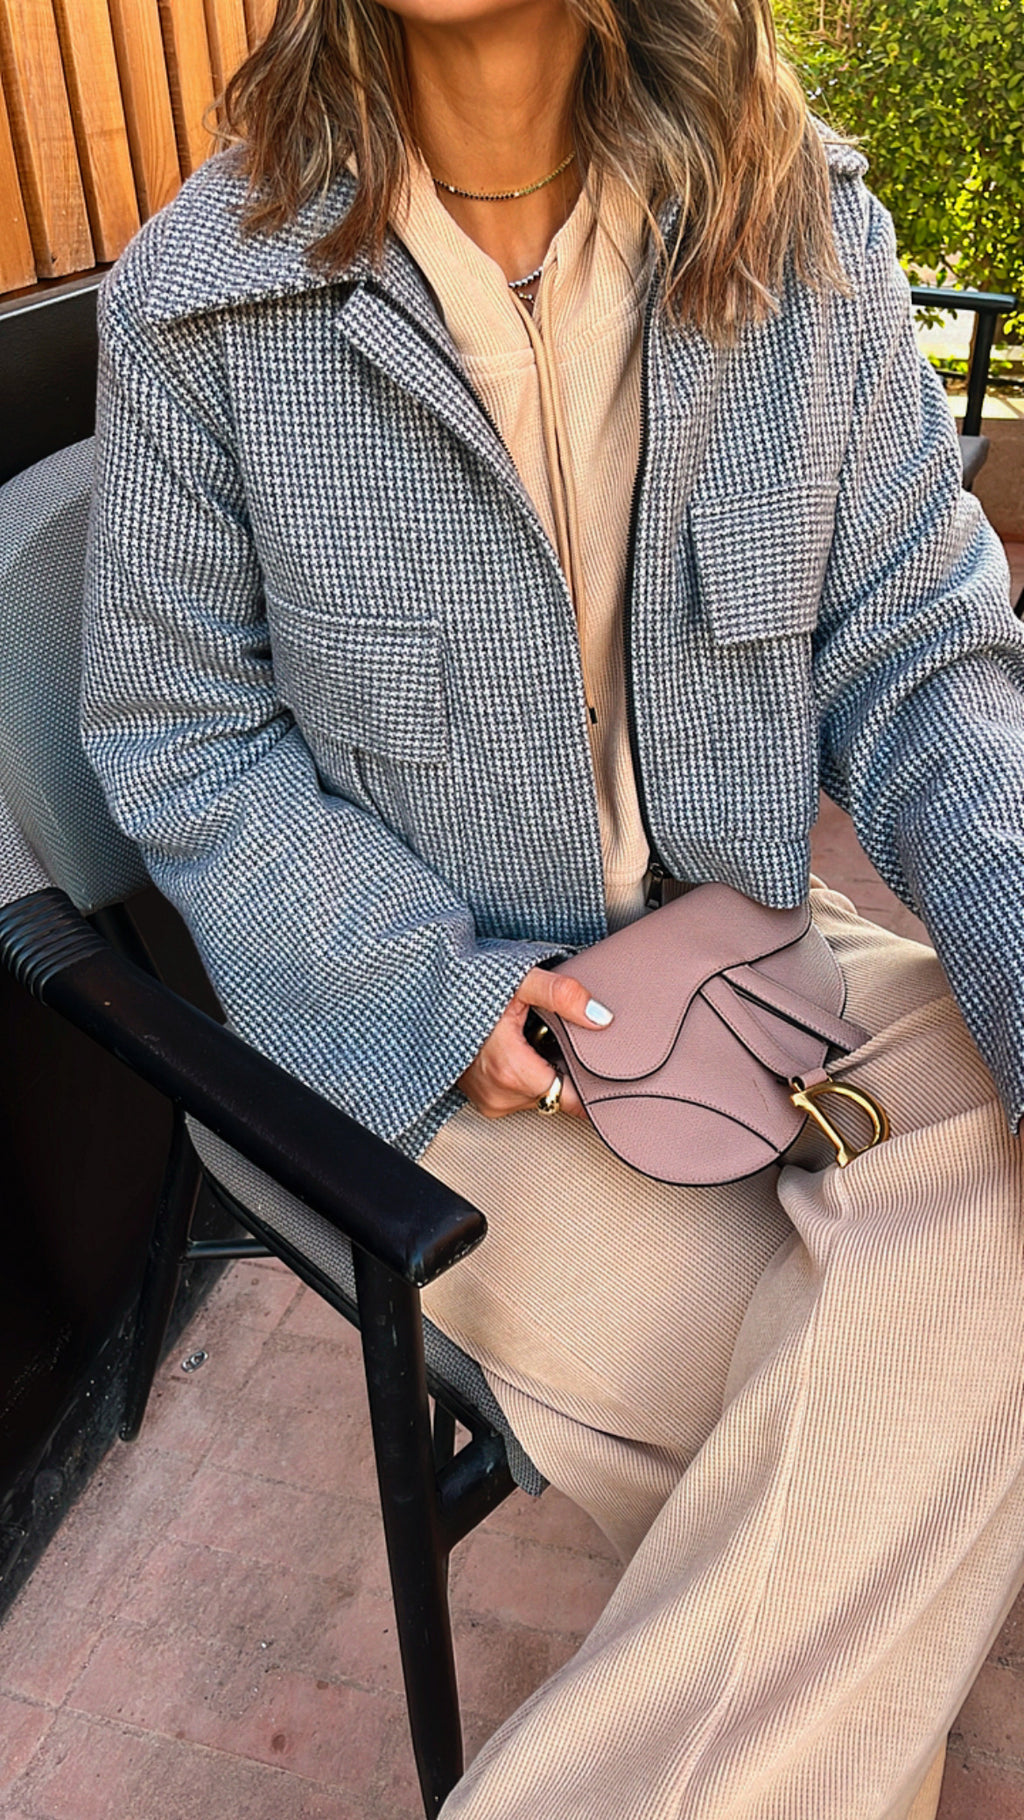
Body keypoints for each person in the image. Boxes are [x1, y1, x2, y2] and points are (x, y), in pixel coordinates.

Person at [81, 0, 1024, 1815]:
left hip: (760, 962)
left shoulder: (798, 232)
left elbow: (924, 659)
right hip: (458, 1046)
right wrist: (441, 995)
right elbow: (179, 738)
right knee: (874, 1485)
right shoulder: (206, 297)